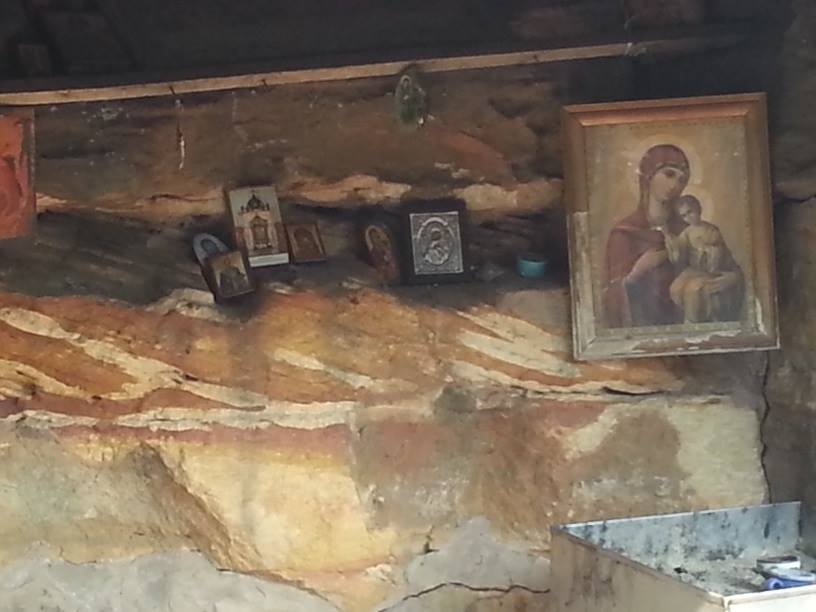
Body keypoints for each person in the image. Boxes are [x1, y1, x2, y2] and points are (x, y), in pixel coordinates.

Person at [604, 144, 691, 327]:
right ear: (649, 175)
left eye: (681, 180)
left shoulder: (686, 231)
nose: (675, 185)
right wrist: (637, 273)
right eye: (668, 174)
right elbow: (611, 294)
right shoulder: (625, 233)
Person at [662, 195, 743, 323]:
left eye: (690, 212)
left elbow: (719, 251)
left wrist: (708, 248)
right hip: (694, 270)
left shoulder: (711, 229)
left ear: (698, 209)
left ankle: (695, 320)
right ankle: (690, 317)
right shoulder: (687, 233)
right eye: (684, 216)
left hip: (710, 269)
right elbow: (679, 252)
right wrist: (672, 243)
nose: (688, 217)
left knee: (693, 290)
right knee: (675, 289)